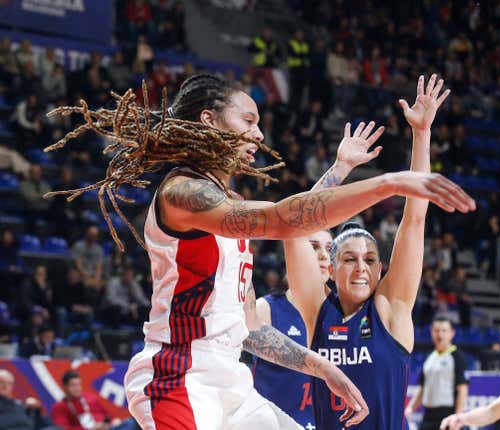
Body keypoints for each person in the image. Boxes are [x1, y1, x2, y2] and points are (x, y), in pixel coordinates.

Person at [44, 73, 473, 429]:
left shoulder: (224, 207)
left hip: (230, 378)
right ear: (209, 120)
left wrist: (322, 368)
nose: (259, 133)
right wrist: (388, 183)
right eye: (248, 119)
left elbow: (249, 324)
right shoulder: (183, 193)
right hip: (179, 377)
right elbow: (285, 220)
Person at [285, 75, 473, 429]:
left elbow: (415, 219)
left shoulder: (390, 308)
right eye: (350, 259)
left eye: (370, 260)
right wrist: (340, 169)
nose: (360, 268)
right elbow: (294, 227)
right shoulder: (315, 308)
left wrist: (421, 134)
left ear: (380, 268)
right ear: (331, 267)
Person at [253, 118, 387, 429]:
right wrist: (340, 169)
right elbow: (296, 222)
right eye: (312, 245)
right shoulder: (266, 309)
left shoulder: (348, 312)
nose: (320, 255)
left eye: (328, 250)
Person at [405, 317, 469, 430]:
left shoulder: (457, 357)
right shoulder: (430, 358)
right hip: (428, 414)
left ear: (452, 333)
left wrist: (457, 417)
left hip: (447, 414)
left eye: (444, 330)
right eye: (436, 330)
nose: (440, 334)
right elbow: (422, 388)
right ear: (431, 332)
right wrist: (410, 408)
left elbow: (462, 389)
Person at [51, 370, 137, 430]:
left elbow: (109, 416)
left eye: (78, 385)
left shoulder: (91, 398)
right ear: (65, 387)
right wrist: (91, 428)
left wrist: (113, 421)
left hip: (108, 428)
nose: (77, 388)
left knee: (132, 421)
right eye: (73, 385)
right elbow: (62, 428)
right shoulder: (60, 407)